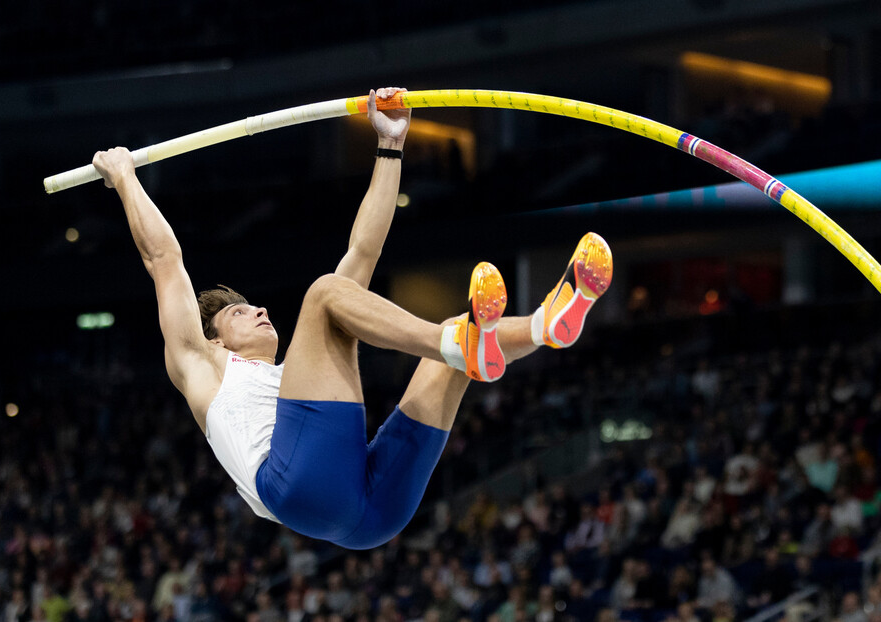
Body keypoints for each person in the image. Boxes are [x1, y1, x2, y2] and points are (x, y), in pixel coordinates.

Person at [90, 87, 613, 550]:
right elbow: (164, 262)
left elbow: (363, 249)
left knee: (433, 335)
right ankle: (456, 342)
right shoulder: (201, 367)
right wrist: (126, 178)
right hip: (298, 487)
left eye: (252, 304)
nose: (259, 309)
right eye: (238, 312)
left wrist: (389, 145)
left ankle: (546, 324)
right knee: (325, 296)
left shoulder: (300, 375)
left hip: (369, 514)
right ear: (214, 339)